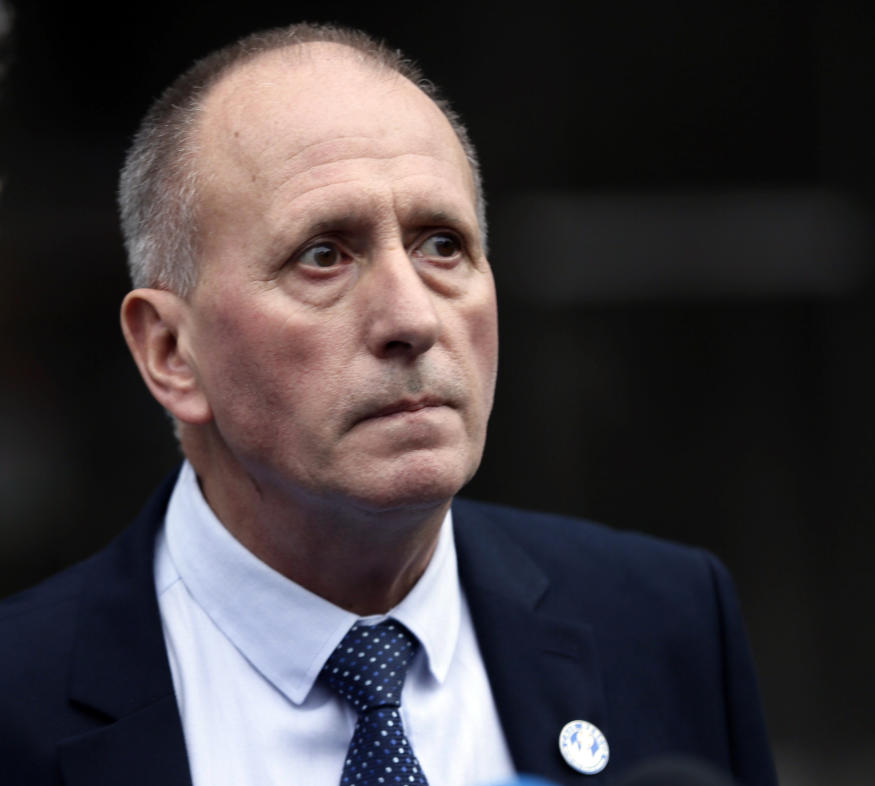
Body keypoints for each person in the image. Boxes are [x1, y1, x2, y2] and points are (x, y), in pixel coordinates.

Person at [0, 23, 778, 786]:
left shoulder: (665, 622)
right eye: (323, 256)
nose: (412, 318)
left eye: (442, 244)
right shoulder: (20, 699)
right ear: (171, 351)